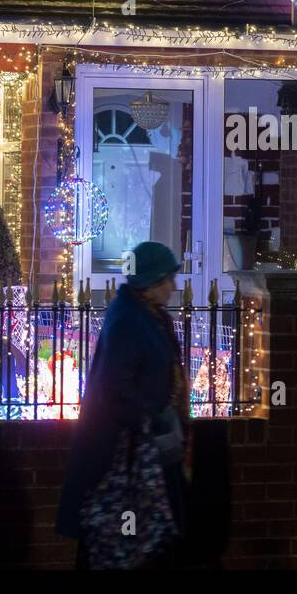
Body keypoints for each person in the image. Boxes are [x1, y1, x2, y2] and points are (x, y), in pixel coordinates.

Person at [57, 241, 191, 568]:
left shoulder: (146, 314)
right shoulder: (129, 322)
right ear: (148, 284)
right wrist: (154, 417)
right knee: (127, 536)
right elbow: (114, 386)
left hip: (147, 448)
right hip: (127, 455)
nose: (173, 287)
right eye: (166, 280)